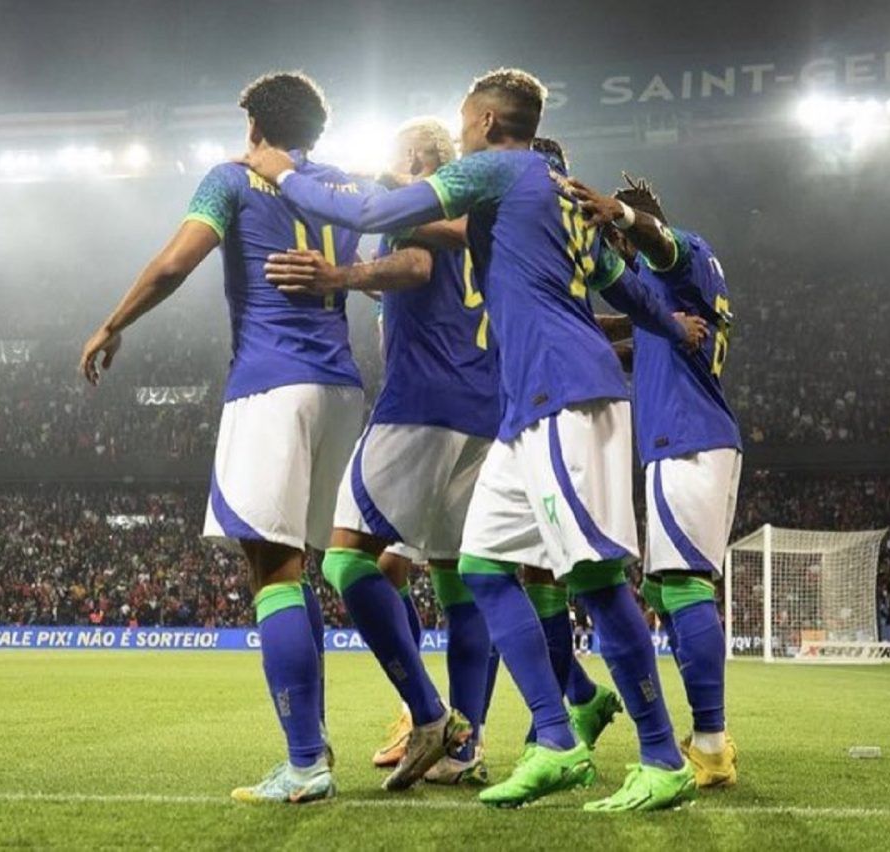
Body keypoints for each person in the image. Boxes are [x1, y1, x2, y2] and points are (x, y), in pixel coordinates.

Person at [243, 67, 704, 811]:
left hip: (565, 393)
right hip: (515, 409)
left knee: (591, 577)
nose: (460, 135)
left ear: (489, 122)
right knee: (486, 568)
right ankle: (554, 736)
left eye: (465, 121)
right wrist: (667, 320)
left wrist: (287, 172)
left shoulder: (496, 168)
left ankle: (661, 756)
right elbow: (617, 280)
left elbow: (383, 209)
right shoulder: (553, 190)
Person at [80, 72, 366, 804]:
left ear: (254, 128)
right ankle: (315, 745)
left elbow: (177, 261)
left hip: (272, 383)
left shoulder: (232, 179)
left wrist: (114, 323)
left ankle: (305, 763)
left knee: (271, 570)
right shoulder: (338, 184)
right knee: (296, 567)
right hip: (341, 389)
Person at [265, 116, 498, 789]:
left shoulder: (422, 208)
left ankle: (427, 714)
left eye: (413, 157)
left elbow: (416, 262)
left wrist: (341, 273)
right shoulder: (483, 221)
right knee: (457, 584)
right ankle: (464, 747)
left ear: (431, 159)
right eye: (404, 159)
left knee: (344, 559)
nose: (407, 166)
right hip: (483, 410)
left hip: (424, 401)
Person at [561, 172, 742, 788]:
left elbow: (662, 246)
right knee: (670, 591)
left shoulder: (677, 255)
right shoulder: (684, 288)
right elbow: (634, 330)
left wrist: (626, 217)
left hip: (685, 442)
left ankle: (712, 746)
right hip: (701, 440)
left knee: (684, 587)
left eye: (615, 242)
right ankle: (709, 736)